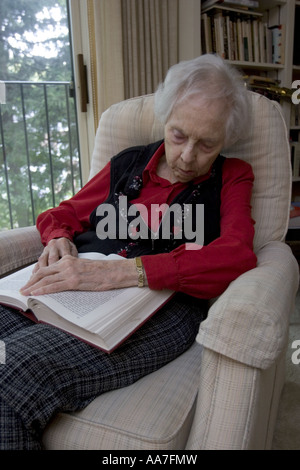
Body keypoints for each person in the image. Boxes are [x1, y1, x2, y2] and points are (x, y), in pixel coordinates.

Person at [0, 54, 257, 449]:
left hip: (162, 309)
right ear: (165, 117)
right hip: (72, 288)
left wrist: (125, 272)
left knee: (11, 372)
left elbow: (236, 256)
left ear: (226, 138)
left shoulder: (232, 177)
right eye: (178, 135)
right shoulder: (128, 163)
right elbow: (62, 213)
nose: (188, 157)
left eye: (207, 144)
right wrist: (57, 238)